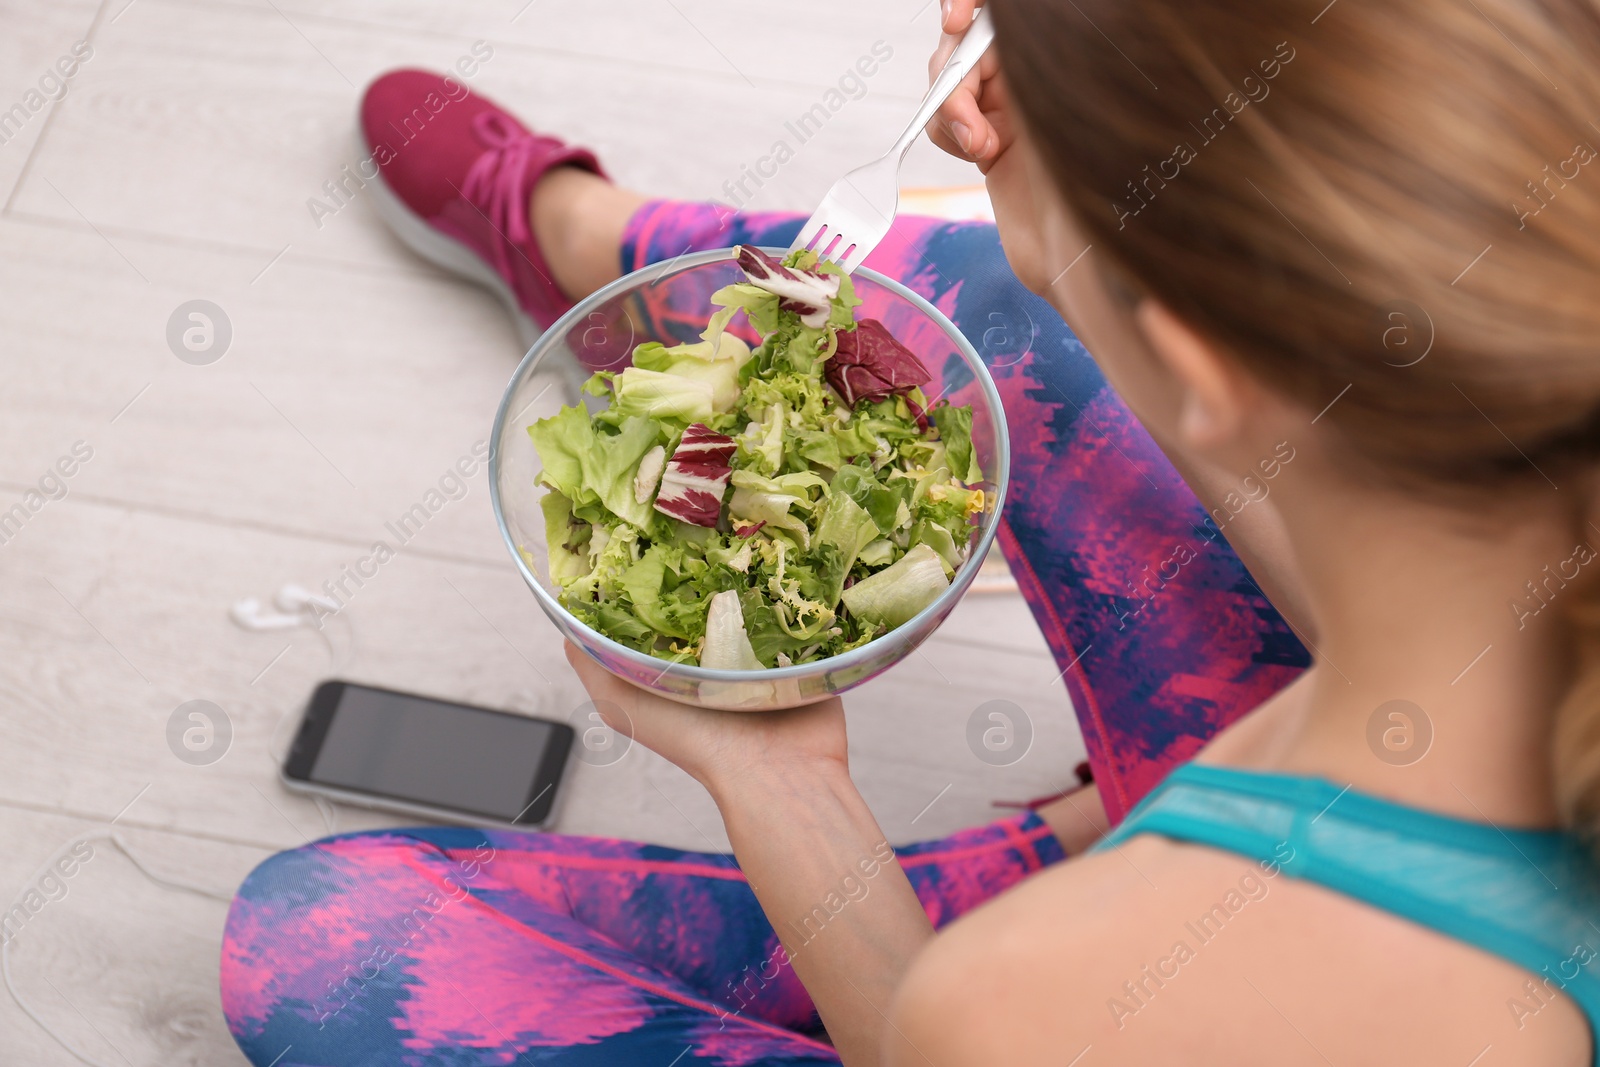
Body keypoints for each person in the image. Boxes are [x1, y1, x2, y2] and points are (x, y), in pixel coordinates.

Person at [220, 0, 1600, 1063]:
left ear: (1201, 369)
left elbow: (938, 1040)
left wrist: (785, 785)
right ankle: (582, 243)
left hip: (1086, 997)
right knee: (983, 310)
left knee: (324, 946)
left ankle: (1040, 858)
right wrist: (1065, 259)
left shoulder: (1056, 1003)